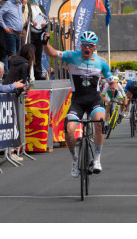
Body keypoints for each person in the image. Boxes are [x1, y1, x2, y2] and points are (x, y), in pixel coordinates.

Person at [43, 30, 119, 177]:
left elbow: (111, 81)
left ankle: (97, 159)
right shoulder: (72, 56)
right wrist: (45, 42)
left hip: (94, 100)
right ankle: (75, 159)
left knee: (99, 122)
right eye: (84, 45)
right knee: (69, 130)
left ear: (94, 46)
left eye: (90, 45)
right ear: (81, 45)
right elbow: (52, 53)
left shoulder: (101, 62)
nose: (87, 48)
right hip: (77, 101)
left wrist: (114, 89)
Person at [0, 0, 24, 74]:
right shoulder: (8, 3)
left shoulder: (20, 4)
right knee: (13, 55)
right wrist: (5, 27)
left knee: (18, 55)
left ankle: (15, 73)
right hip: (11, 33)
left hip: (18, 33)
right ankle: (12, 75)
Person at [27, 0, 49, 80]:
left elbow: (45, 18)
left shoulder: (41, 7)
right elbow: (25, 17)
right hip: (30, 33)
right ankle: (29, 74)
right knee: (29, 54)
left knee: (38, 54)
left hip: (40, 33)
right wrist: (31, 22)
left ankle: (38, 74)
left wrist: (45, 24)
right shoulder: (27, 6)